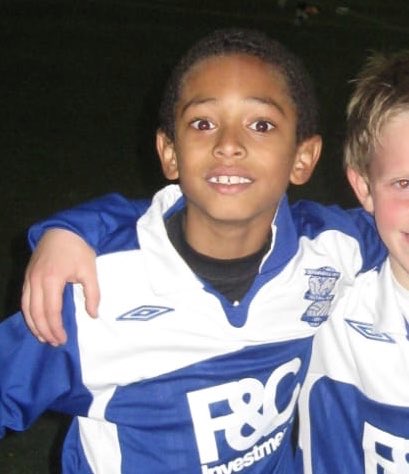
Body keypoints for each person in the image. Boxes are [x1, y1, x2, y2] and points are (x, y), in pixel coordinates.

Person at [1, 28, 385, 473]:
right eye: (203, 123)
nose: (228, 144)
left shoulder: (329, 252)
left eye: (261, 125)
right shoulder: (93, 295)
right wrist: (73, 229)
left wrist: (79, 224)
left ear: (303, 158)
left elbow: (395, 221)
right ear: (170, 153)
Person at [297, 50, 409, 473]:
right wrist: (81, 229)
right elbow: (220, 227)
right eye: (405, 183)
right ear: (364, 188)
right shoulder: (327, 294)